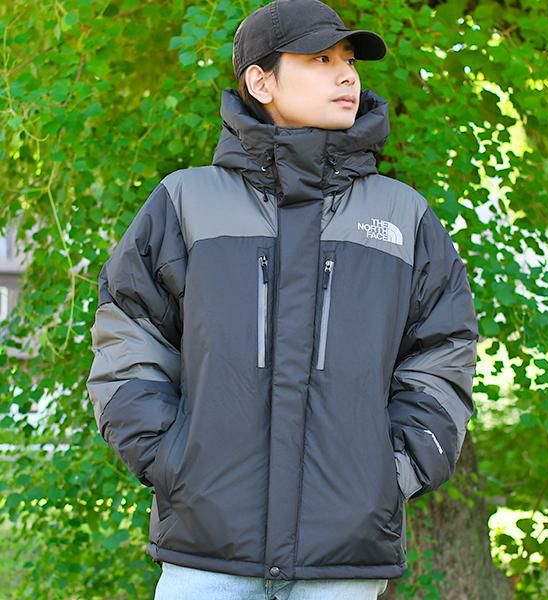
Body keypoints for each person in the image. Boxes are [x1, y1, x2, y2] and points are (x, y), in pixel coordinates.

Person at [86, 0, 479, 598]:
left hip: (342, 556)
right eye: (321, 60)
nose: (346, 76)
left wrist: (394, 470)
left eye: (350, 61)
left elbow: (443, 350)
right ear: (260, 81)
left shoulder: (404, 215)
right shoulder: (186, 203)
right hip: (208, 550)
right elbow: (129, 335)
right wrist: (173, 460)